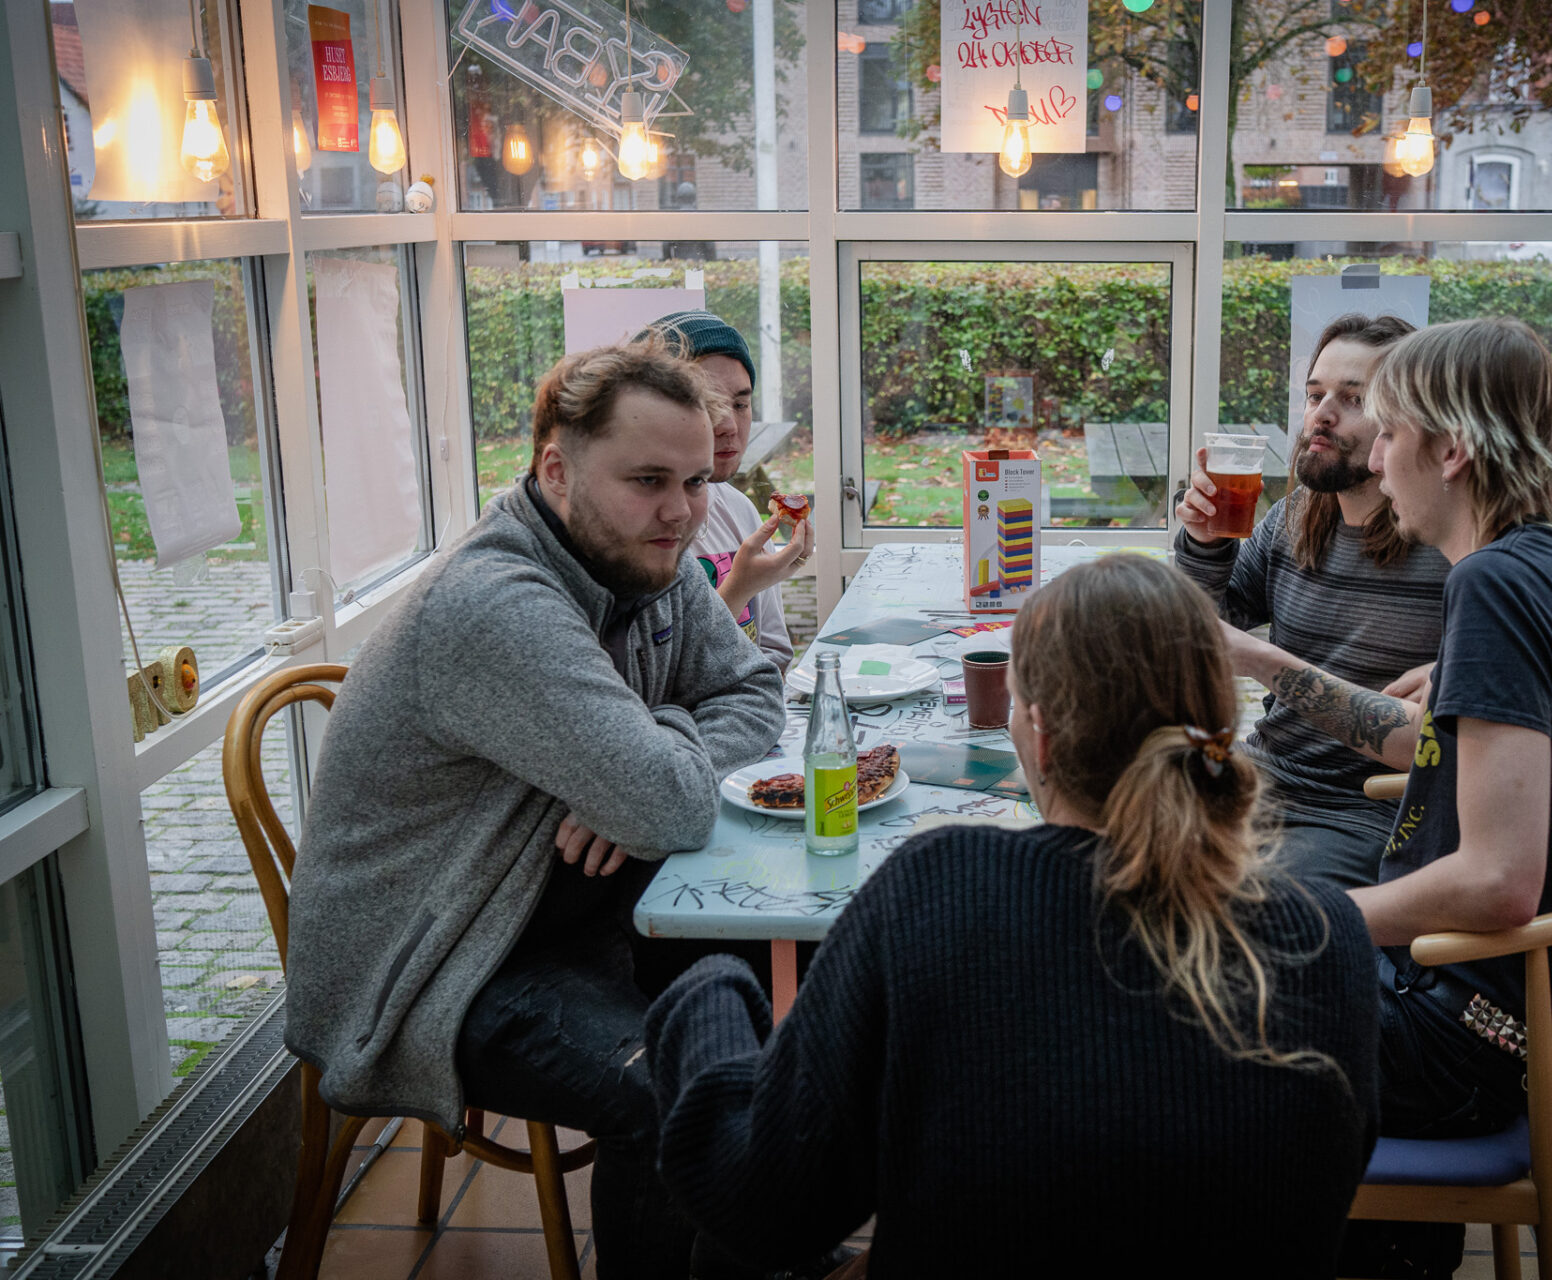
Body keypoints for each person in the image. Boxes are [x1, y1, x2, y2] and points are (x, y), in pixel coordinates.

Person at [640, 555, 1381, 1277]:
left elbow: (762, 1207)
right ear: (1222, 724)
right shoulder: (1327, 933)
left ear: (1042, 737)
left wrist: (711, 987)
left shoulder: (942, 888)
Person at [283, 338, 788, 1275]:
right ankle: (739, 1209)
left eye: (691, 480)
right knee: (683, 1087)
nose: (681, 513)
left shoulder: (648, 552)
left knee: (811, 969)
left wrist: (643, 756)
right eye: (647, 480)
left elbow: (755, 694)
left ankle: (751, 1214)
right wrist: (644, 773)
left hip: (562, 904)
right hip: (435, 962)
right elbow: (672, 807)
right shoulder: (495, 604)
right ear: (556, 469)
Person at [1213, 317, 1552, 1275]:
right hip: (1489, 1004)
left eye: (1390, 429)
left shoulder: (1493, 587)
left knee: (1155, 1011)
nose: (1372, 450)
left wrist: (1309, 917)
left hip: (1457, 1032)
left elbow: (1498, 883)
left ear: (1450, 450)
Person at [1175, 313, 1450, 888]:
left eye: (1353, 399)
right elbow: (1204, 633)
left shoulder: (1448, 544)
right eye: (1315, 394)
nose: (1321, 415)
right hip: (1261, 775)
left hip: (1369, 810)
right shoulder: (1294, 515)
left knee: (1244, 914)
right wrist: (1203, 544)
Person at [653, 309, 812, 672]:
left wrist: (769, 576)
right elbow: (663, 680)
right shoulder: (636, 531)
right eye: (707, 406)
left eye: (740, 404)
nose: (728, 425)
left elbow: (774, 651)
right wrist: (739, 587)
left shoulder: (739, 509)